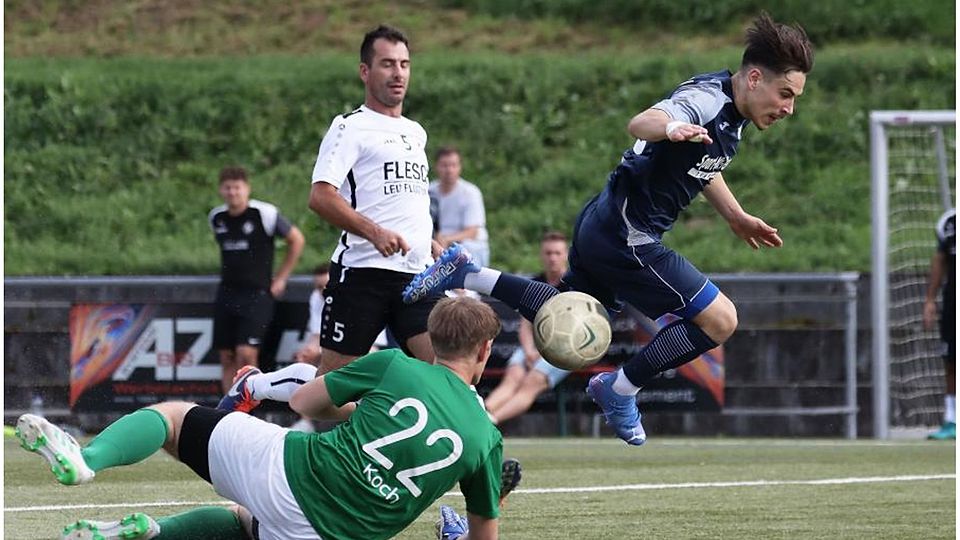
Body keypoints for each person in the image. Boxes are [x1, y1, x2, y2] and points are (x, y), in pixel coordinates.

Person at [404, 12, 814, 446]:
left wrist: (735, 216)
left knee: (573, 311)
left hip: (604, 221)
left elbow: (703, 164)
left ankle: (464, 273)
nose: (789, 108)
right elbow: (643, 123)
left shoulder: (735, 112)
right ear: (754, 78)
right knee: (720, 319)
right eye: (785, 94)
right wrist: (671, 126)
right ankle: (620, 389)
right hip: (627, 236)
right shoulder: (708, 99)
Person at [16, 296, 505, 540]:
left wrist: (363, 408)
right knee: (246, 525)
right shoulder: (486, 438)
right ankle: (155, 533)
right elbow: (483, 530)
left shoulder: (396, 364)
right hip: (337, 535)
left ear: (431, 338)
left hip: (291, 472)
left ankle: (88, 459)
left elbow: (305, 403)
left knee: (173, 418)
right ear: (485, 349)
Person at [306, 24, 443, 376]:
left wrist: (427, 241)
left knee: (449, 374)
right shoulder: (349, 127)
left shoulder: (416, 132)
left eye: (404, 64)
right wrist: (375, 233)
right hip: (363, 274)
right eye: (387, 64)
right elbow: (321, 196)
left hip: (416, 276)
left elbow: (404, 199)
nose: (398, 73)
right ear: (365, 71)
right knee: (330, 392)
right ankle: (257, 387)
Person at [209, 166, 304, 393]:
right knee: (226, 355)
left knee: (246, 354)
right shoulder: (217, 217)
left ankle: (248, 411)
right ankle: (227, 414)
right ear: (221, 190)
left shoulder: (264, 213)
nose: (233, 192)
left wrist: (281, 278)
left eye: (237, 187)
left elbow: (297, 239)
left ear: (247, 189)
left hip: (257, 294)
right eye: (228, 188)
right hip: (227, 293)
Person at [484, 231, 572, 425]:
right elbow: (526, 324)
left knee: (531, 382)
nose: (553, 258)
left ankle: (490, 422)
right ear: (542, 255)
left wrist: (541, 355)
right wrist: (530, 351)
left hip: (564, 350)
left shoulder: (574, 285)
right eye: (548, 253)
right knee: (513, 377)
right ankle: (481, 413)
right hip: (532, 347)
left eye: (557, 253)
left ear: (566, 254)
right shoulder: (535, 283)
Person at [429, 147, 491, 266]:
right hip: (438, 243)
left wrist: (447, 240)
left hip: (467, 245)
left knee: (467, 248)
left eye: (453, 165)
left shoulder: (470, 193)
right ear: (437, 166)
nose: (449, 170)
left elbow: (472, 232)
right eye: (444, 165)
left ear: (459, 167)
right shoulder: (429, 191)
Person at [924, 208, 956, 440]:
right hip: (953, 301)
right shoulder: (950, 222)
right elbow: (940, 259)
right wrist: (930, 299)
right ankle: (952, 418)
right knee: (951, 358)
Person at [292, 264, 331, 367]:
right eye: (319, 287)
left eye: (327, 286)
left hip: (373, 347)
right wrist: (308, 352)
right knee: (304, 358)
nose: (323, 291)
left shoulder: (352, 299)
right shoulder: (316, 297)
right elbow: (317, 334)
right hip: (337, 347)